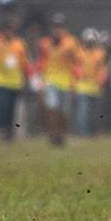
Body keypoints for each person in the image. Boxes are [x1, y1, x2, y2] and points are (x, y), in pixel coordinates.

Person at [36, 14, 80, 146]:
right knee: (52, 108)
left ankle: (62, 135)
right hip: (50, 81)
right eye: (55, 27)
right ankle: (53, 135)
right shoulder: (45, 44)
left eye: (59, 27)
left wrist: (75, 80)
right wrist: (40, 80)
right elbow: (42, 62)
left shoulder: (71, 43)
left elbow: (77, 62)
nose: (57, 30)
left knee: (64, 112)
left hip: (66, 81)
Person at [0, 20, 29, 141]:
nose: (8, 32)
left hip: (14, 82)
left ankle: (9, 132)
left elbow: (24, 63)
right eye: (6, 30)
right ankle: (1, 129)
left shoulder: (19, 44)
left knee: (11, 109)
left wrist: (25, 78)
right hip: (0, 81)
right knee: (1, 107)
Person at [71, 28, 108, 137]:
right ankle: (83, 133)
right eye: (88, 41)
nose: (89, 43)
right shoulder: (79, 53)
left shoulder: (100, 53)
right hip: (82, 86)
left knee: (95, 113)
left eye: (91, 41)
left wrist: (101, 80)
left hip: (96, 87)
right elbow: (75, 69)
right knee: (83, 111)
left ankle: (93, 132)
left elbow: (103, 69)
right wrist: (74, 83)